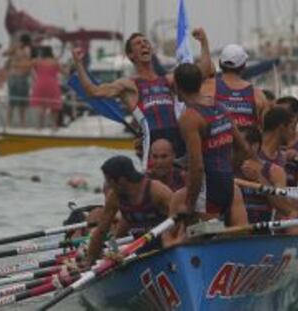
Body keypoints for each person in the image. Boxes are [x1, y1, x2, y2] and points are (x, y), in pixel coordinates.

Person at [72, 28, 214, 161]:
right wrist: (78, 63)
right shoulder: (128, 85)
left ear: (151, 50)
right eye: (138, 44)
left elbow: (204, 72)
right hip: (152, 150)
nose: (144, 45)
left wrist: (204, 42)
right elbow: (93, 91)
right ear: (131, 55)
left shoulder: (168, 80)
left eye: (146, 42)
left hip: (178, 144)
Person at [169, 63, 250, 226]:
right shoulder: (219, 106)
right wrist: (228, 170)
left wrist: (190, 204)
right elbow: (243, 149)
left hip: (208, 186)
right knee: (220, 238)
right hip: (227, 182)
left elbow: (197, 166)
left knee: (202, 240)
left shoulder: (189, 118)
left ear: (177, 87)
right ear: (200, 84)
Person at [84, 156, 172, 266]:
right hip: (141, 252)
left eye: (109, 180)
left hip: (166, 248)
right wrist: (89, 261)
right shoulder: (115, 197)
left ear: (121, 180)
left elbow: (180, 219)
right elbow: (101, 231)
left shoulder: (156, 190)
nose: (108, 185)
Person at [203, 44, 271, 130]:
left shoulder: (207, 89)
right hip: (248, 142)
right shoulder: (258, 95)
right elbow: (267, 131)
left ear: (220, 64)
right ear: (244, 66)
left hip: (219, 142)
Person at [236, 126, 294, 223]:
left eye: (239, 144)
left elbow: (285, 209)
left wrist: (260, 178)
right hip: (237, 231)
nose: (234, 148)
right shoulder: (229, 168)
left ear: (255, 146)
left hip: (264, 231)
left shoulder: (275, 171)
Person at [0, 33, 33, 127]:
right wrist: (14, 49)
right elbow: (4, 53)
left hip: (23, 78)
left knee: (22, 103)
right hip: (15, 77)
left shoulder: (28, 50)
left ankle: (21, 124)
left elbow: (31, 65)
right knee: (13, 103)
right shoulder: (16, 49)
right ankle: (10, 123)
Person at [30, 46, 64, 130]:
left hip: (40, 83)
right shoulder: (55, 62)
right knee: (54, 105)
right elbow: (64, 72)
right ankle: (54, 126)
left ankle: (39, 126)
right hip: (52, 84)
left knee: (41, 106)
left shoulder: (37, 61)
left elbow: (26, 66)